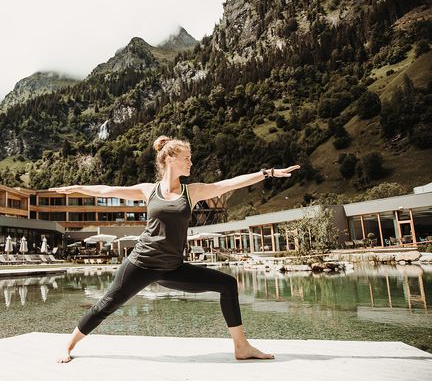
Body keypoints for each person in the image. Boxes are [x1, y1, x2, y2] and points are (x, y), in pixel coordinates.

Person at [50, 135, 300, 363]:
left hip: (172, 268)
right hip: (141, 264)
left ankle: (242, 347)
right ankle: (68, 347)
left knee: (228, 284)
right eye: (187, 158)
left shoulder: (192, 192)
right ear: (170, 159)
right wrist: (75, 188)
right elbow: (106, 190)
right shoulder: (149, 190)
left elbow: (230, 184)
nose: (191, 162)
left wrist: (268, 172)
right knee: (106, 305)